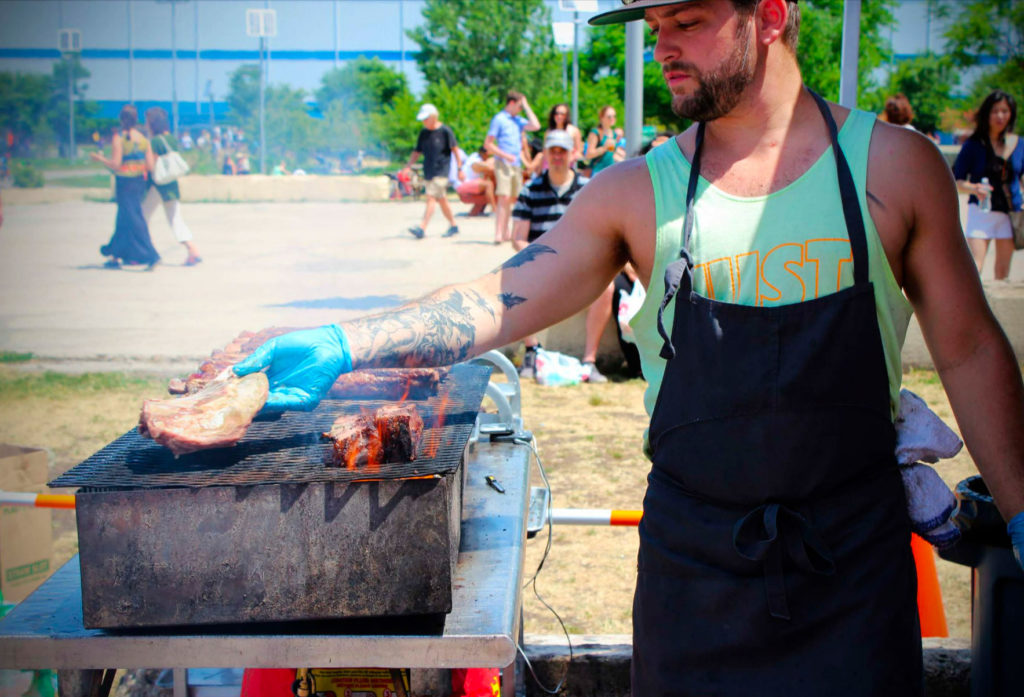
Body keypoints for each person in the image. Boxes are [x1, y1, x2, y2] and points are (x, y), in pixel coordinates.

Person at [232, 1, 1024, 694]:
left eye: (687, 21)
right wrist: (348, 340)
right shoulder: (635, 192)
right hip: (695, 585)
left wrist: (1022, 517)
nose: (663, 47)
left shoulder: (892, 167)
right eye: (654, 27)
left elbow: (970, 351)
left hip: (852, 575)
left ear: (773, 13)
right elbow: (498, 297)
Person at [510, 130, 609, 381]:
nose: (557, 156)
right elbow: (517, 238)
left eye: (562, 151)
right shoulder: (530, 189)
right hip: (540, 260)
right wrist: (540, 257)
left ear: (572, 155)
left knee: (606, 289)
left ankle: (589, 361)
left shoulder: (589, 188)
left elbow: (599, 232)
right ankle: (531, 351)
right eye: (552, 151)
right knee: (518, 278)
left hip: (579, 262)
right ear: (544, 154)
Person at [953, 90, 1023, 281]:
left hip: (1009, 214)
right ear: (986, 114)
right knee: (975, 266)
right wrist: (974, 188)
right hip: (981, 211)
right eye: (995, 111)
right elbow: (956, 179)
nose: (1000, 116)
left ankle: (998, 310)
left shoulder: (1018, 144)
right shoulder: (974, 145)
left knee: (1002, 273)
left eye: (1005, 111)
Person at [90, 104, 160, 270]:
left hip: (124, 183)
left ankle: (151, 254)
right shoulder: (144, 140)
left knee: (134, 219)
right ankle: (115, 255)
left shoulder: (119, 138)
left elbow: (116, 164)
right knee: (123, 219)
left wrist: (100, 159)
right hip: (139, 183)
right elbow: (150, 166)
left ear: (122, 120)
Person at [143, 107, 201, 267]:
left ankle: (150, 252)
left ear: (152, 124)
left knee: (143, 217)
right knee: (175, 219)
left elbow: (150, 166)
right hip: (171, 185)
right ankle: (192, 249)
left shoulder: (153, 142)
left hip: (157, 185)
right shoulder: (173, 140)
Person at [484, 91, 541, 245]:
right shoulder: (499, 119)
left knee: (512, 198)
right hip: (503, 163)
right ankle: (498, 233)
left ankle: (506, 231)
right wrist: (505, 155)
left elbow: (536, 125)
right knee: (503, 197)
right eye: (520, 106)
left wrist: (527, 104)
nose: (521, 109)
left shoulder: (518, 120)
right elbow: (488, 144)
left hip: (516, 165)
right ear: (511, 103)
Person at [403, 103, 462, 239]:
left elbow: (455, 150)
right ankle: (454, 225)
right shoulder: (424, 133)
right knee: (442, 199)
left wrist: (459, 168)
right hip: (429, 171)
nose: (424, 122)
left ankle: (422, 228)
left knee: (431, 197)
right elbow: (417, 151)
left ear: (434, 117)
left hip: (441, 171)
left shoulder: (445, 131)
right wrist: (408, 166)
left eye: (426, 119)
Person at [456, 146, 496, 217]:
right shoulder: (475, 159)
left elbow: (487, 173)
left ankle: (476, 212)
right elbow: (487, 167)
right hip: (464, 186)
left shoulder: (477, 157)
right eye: (489, 155)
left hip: (468, 186)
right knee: (488, 185)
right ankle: (494, 210)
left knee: (489, 187)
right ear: (484, 154)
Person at [584, 105, 622, 175]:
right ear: (602, 118)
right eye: (609, 116)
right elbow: (588, 154)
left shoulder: (614, 134)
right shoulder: (596, 133)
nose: (612, 118)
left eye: (614, 116)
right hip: (598, 172)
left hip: (611, 171)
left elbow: (611, 154)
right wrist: (604, 148)